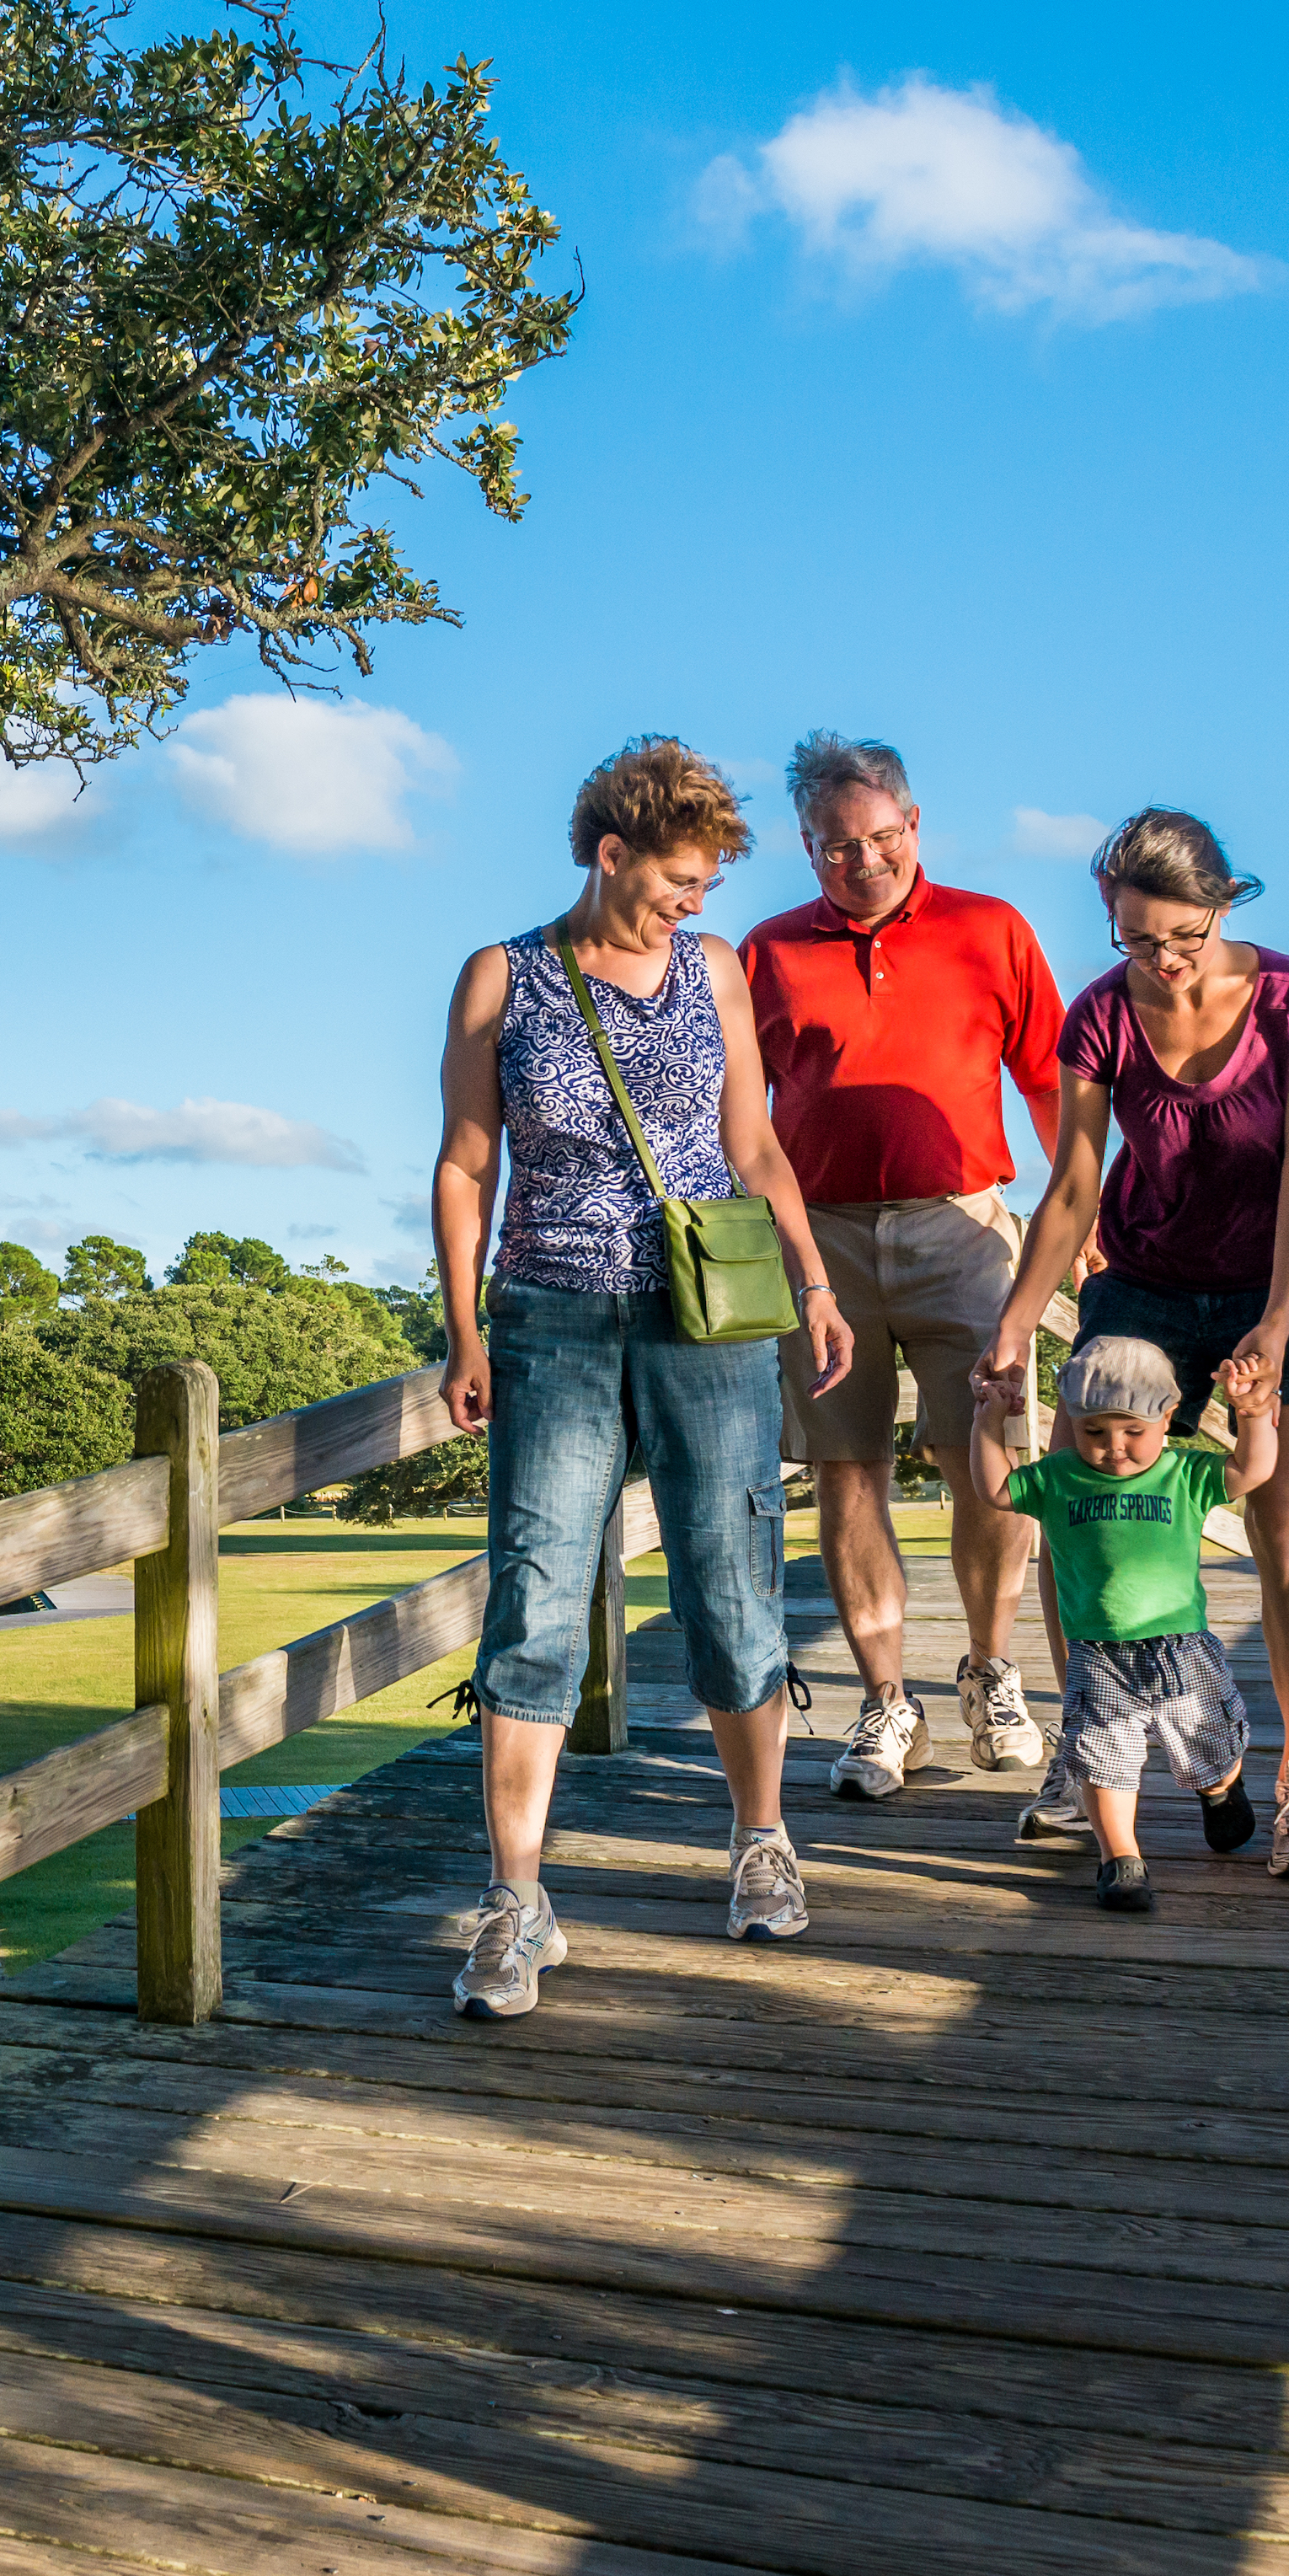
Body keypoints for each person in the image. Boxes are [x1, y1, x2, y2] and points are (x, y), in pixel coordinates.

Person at [431, 738, 859, 2021]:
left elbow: (753, 1143)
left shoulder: (716, 971)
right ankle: (516, 1902)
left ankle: (761, 1841)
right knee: (539, 1596)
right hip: (552, 1315)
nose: (697, 901)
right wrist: (462, 1333)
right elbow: (466, 1165)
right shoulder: (503, 976)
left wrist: (816, 1285)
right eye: (680, 876)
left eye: (709, 879)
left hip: (708, 1320)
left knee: (732, 1583)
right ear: (611, 853)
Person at [975, 808, 1289, 1879]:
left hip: (1281, 1276)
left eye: (1183, 936)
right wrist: (1015, 1325)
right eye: (1138, 939)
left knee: (1282, 1521)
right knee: (1076, 1509)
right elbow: (1074, 1186)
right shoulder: (1100, 1016)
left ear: (1224, 904)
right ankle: (1085, 1753)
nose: (1164, 960)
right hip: (1145, 1284)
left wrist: (1277, 1325)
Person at [735, 736, 1067, 1803]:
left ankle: (991, 1674)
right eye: (840, 847)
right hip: (819, 1240)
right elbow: (734, 1113)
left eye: (883, 839)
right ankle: (887, 1705)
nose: (865, 862)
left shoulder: (992, 928)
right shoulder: (766, 951)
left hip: (962, 1225)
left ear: (914, 827)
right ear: (808, 845)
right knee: (847, 1470)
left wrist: (1086, 1204)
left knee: (995, 1459)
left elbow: (1055, 1083)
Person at [1009, 1331, 1276, 1910]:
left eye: (1134, 1431)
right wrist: (987, 1420)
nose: (1114, 1448)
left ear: (1168, 1417)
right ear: (1071, 1423)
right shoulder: (1058, 1478)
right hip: (1098, 1653)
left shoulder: (1182, 1474)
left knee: (1208, 1742)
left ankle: (1221, 1789)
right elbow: (992, 1489)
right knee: (1103, 1756)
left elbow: (1252, 1470)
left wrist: (1250, 1414)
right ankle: (1121, 1859)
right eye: (1094, 1433)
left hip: (1181, 1646)